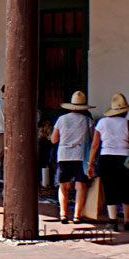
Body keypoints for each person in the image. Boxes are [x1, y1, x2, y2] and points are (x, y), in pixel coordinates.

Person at [87, 93, 129, 232]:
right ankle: (128, 221)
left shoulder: (102, 123)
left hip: (106, 158)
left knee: (109, 189)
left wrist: (90, 162)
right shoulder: (127, 123)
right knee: (125, 190)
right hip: (124, 158)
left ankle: (113, 221)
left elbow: (95, 144)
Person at [50, 90, 94, 223]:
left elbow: (54, 140)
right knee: (80, 186)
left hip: (64, 154)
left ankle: (63, 214)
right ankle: (77, 215)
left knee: (63, 186)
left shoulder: (61, 119)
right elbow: (92, 138)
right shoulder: (87, 120)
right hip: (80, 155)